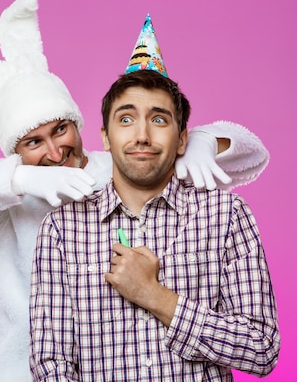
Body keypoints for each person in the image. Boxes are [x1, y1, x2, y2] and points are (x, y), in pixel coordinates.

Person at [0, 0, 271, 382]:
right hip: (21, 371)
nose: (56, 150)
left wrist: (207, 140)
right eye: (33, 142)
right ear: (15, 151)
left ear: (84, 127)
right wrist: (19, 179)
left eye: (60, 129)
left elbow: (251, 157)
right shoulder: (8, 202)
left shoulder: (118, 166)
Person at [28, 68, 280, 380]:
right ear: (105, 137)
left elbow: (262, 348)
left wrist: (153, 294)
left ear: (182, 139)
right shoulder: (62, 230)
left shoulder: (225, 215)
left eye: (159, 119)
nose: (142, 135)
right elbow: (51, 366)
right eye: (125, 119)